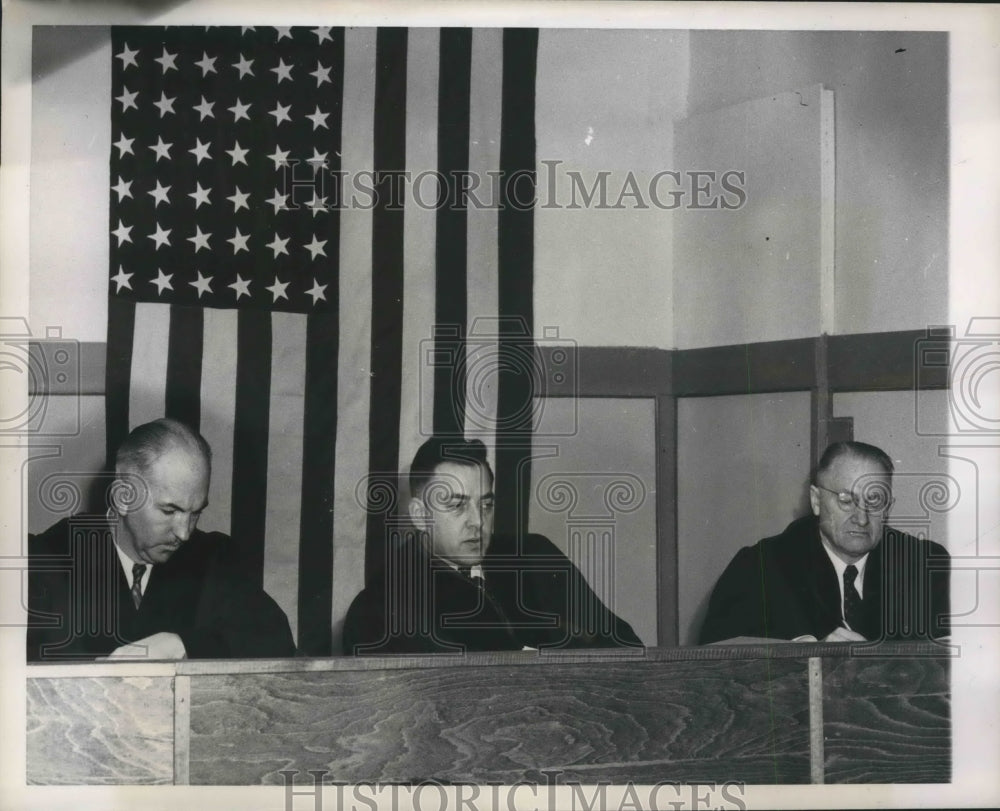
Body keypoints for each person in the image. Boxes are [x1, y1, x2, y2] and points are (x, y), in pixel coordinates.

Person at [27, 418, 295, 661]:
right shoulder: (48, 558)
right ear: (123, 498)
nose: (184, 533)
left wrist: (183, 645)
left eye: (195, 513)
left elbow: (275, 639)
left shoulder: (213, 556)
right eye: (170, 511)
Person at [343, 437, 643, 654]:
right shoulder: (379, 609)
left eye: (486, 505)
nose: (478, 522)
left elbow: (626, 647)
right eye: (458, 506)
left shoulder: (534, 557)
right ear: (420, 516)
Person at [699, 441, 950, 644]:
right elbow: (714, 653)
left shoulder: (926, 565)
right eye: (845, 500)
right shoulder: (761, 566)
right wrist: (806, 654)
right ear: (816, 500)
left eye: (874, 501)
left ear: (888, 508)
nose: (861, 518)